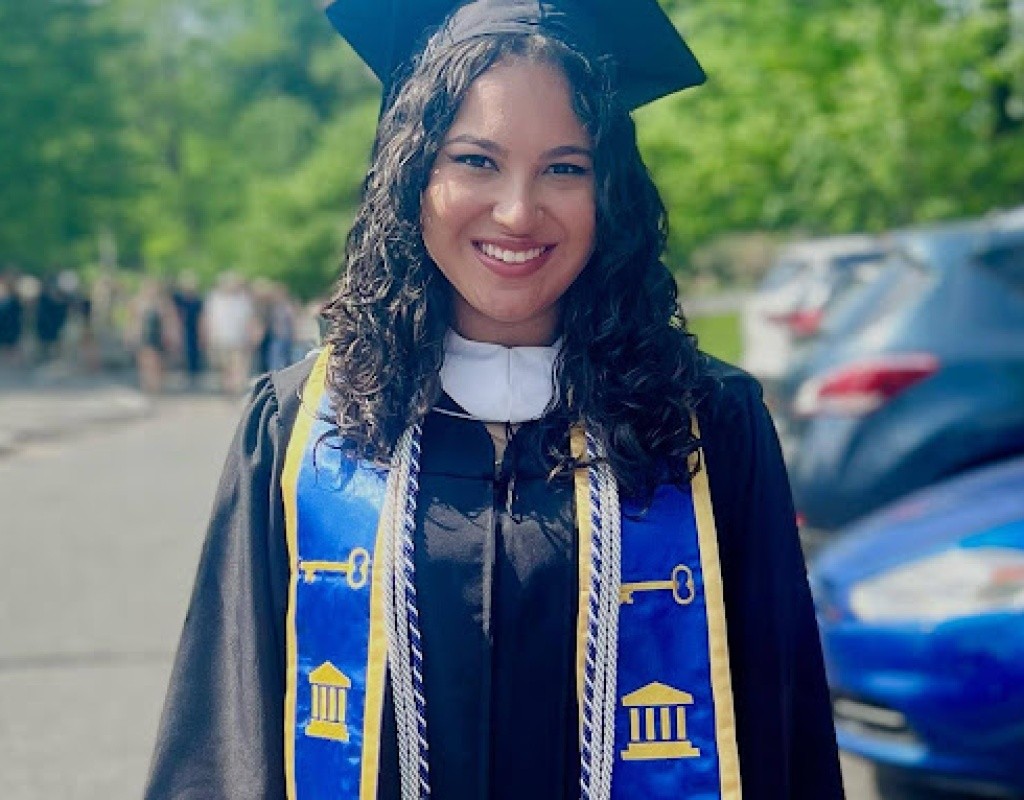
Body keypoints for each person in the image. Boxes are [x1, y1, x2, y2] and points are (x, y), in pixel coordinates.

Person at [146, 1, 845, 798]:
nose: (518, 211)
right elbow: (225, 739)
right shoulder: (305, 427)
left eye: (565, 167)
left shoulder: (706, 425)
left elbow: (779, 737)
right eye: (475, 161)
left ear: (609, 191)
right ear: (412, 175)